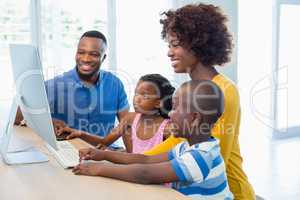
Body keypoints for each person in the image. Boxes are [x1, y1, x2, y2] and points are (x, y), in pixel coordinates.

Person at [143, 4, 255, 199]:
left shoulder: (224, 90)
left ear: (198, 44)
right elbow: (177, 143)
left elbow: (215, 155)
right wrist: (128, 161)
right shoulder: (193, 88)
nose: (169, 52)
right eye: (169, 45)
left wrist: (133, 163)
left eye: (175, 44)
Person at [72, 80, 233, 200]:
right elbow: (145, 159)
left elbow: (145, 173)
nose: (170, 113)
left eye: (176, 108)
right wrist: (103, 155)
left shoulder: (200, 157)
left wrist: (98, 169)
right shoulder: (186, 147)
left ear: (194, 118)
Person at [15, 30, 129, 141]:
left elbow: (128, 125)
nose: (86, 59)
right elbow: (17, 116)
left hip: (106, 153)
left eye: (93, 54)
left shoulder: (115, 84)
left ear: (103, 58)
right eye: (81, 52)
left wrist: (130, 156)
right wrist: (48, 122)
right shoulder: (55, 85)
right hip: (71, 151)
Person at [60, 74, 177, 153]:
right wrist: (80, 134)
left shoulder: (167, 128)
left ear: (158, 103)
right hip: (135, 177)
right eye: (136, 93)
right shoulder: (129, 119)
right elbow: (104, 142)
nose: (136, 99)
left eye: (144, 95)